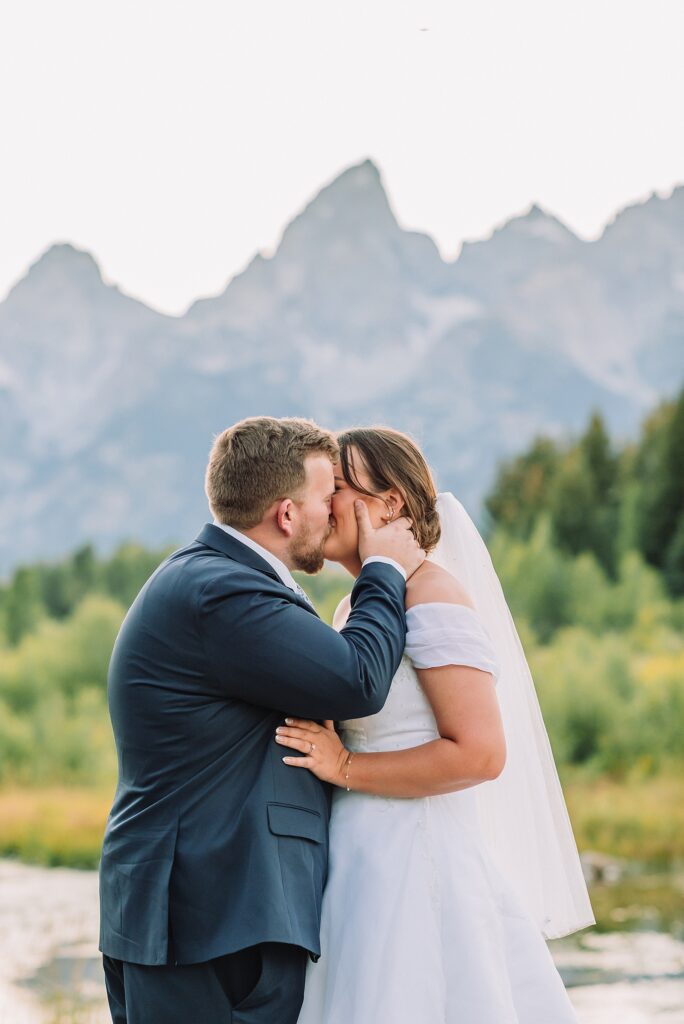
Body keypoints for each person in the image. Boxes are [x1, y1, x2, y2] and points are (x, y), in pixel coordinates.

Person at [98, 416, 426, 1024]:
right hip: (210, 925)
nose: (336, 514)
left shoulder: (213, 579)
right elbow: (356, 680)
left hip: (209, 919)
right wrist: (385, 570)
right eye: (328, 498)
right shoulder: (223, 592)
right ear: (286, 514)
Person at [275, 426, 594, 1024]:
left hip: (417, 866)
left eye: (337, 487)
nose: (321, 503)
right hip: (359, 863)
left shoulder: (433, 596)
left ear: (390, 502)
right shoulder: (358, 606)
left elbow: (480, 753)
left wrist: (344, 765)